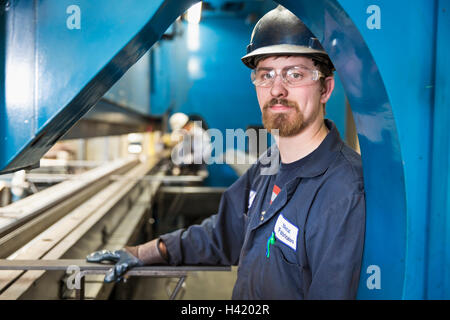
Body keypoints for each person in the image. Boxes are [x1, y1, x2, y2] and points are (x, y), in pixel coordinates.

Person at [87, 5, 365, 299]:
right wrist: (148, 251)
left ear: (325, 89)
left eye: (295, 75)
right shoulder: (269, 165)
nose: (277, 89)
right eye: (266, 75)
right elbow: (223, 234)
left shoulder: (343, 192)